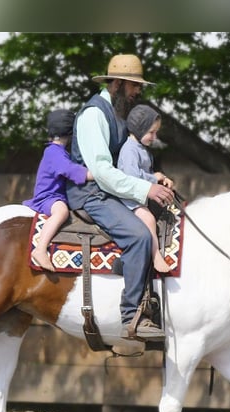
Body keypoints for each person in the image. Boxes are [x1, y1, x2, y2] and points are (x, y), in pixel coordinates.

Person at [66, 54, 175, 341]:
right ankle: (133, 316)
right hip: (91, 195)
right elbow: (101, 171)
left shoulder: (117, 113)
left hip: (110, 191)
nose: (138, 91)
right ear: (117, 84)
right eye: (134, 86)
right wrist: (146, 189)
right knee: (139, 236)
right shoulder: (93, 114)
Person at [23, 109, 92, 271]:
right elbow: (67, 170)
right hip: (48, 197)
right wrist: (93, 174)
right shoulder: (54, 152)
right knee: (61, 212)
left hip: (55, 195)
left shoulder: (58, 151)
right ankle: (40, 249)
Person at [117, 104, 174, 274]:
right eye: (151, 132)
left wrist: (162, 180)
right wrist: (154, 178)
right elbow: (131, 176)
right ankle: (156, 256)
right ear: (139, 129)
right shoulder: (129, 150)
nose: (154, 137)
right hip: (130, 199)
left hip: (141, 194)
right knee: (148, 219)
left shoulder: (142, 149)